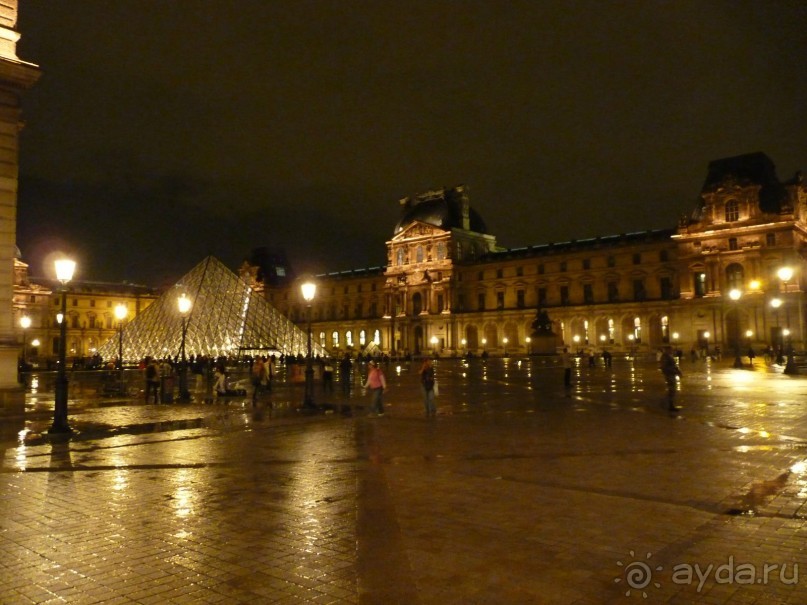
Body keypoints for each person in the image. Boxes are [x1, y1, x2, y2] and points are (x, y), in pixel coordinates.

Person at [659, 345, 682, 411]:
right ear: (667, 350)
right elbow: (665, 367)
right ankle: (668, 405)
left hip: (671, 374)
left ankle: (669, 404)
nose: (672, 351)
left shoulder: (669, 356)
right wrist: (674, 371)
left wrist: (678, 371)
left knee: (672, 390)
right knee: (671, 390)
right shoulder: (665, 357)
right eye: (671, 349)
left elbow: (674, 365)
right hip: (669, 375)